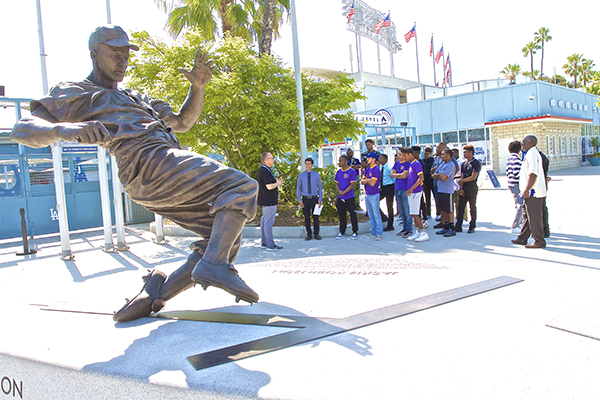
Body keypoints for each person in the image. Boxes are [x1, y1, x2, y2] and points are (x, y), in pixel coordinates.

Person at [10, 25, 259, 322]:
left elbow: (182, 122)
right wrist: (64, 129)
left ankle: (154, 294)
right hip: (146, 163)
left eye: (126, 55)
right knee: (241, 186)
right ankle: (212, 265)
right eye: (114, 54)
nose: (122, 62)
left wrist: (198, 87)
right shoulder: (76, 92)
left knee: (224, 240)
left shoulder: (139, 98)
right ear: (94, 54)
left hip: (163, 163)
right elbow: (22, 130)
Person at [512, 135, 547, 248]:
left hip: (533, 192)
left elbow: (533, 174)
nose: (522, 144)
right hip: (530, 192)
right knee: (528, 216)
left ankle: (539, 241)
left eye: (524, 142)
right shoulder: (530, 153)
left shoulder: (532, 154)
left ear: (530, 143)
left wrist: (527, 190)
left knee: (534, 217)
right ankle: (522, 238)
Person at [257, 152, 284, 251]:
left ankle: (265, 242)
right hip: (269, 201)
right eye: (271, 158)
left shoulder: (264, 170)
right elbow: (269, 186)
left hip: (265, 200)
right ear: (266, 160)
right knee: (268, 222)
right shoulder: (264, 171)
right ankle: (270, 244)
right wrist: (277, 183)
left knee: (264, 221)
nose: (273, 160)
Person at [404, 147, 429, 242]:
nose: (404, 157)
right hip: (412, 192)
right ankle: (417, 231)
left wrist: (411, 189)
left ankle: (423, 232)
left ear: (410, 154)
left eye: (405, 155)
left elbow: (421, 178)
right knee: (412, 213)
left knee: (415, 213)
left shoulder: (417, 164)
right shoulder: (411, 164)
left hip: (416, 192)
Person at [454, 145, 481, 233]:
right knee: (460, 207)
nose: (464, 154)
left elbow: (473, 177)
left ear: (471, 152)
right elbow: (462, 175)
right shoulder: (464, 163)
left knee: (472, 206)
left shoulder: (475, 163)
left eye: (465, 152)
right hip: (464, 187)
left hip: (472, 187)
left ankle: (472, 225)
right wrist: (461, 187)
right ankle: (458, 225)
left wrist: (462, 181)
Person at [296, 157, 322, 240]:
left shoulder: (316, 175)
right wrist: (299, 200)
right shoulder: (301, 175)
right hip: (305, 199)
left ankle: (316, 234)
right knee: (307, 218)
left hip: (314, 198)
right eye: (306, 164)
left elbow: (320, 188)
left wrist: (320, 199)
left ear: (312, 165)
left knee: (315, 217)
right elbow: (298, 188)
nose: (307, 165)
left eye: (309, 164)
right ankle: (309, 234)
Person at [432, 149, 457, 237]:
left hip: (447, 191)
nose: (441, 156)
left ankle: (451, 227)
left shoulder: (450, 165)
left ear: (448, 155)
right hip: (440, 190)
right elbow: (433, 174)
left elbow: (444, 177)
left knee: (449, 210)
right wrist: (439, 175)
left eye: (443, 154)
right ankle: (446, 226)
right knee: (443, 209)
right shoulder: (442, 164)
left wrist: (438, 175)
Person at [335, 155, 359, 239]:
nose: (339, 162)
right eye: (339, 160)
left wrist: (344, 192)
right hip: (340, 197)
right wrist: (339, 191)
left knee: (352, 214)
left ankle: (355, 231)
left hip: (349, 197)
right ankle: (342, 231)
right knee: (341, 215)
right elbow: (337, 183)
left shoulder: (351, 171)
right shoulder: (338, 172)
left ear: (346, 161)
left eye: (341, 160)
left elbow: (352, 185)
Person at [361, 152, 383, 240]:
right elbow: (362, 181)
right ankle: (373, 232)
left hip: (374, 194)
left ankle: (379, 233)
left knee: (376, 214)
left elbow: (373, 183)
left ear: (373, 159)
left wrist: (367, 180)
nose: (367, 159)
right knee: (370, 214)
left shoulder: (376, 169)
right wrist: (368, 180)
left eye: (369, 158)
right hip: (367, 194)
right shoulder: (367, 169)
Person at [391, 149, 412, 238]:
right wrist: (399, 175)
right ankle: (404, 228)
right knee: (401, 211)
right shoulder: (397, 163)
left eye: (400, 154)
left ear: (404, 155)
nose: (398, 156)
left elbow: (405, 176)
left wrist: (397, 174)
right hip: (397, 189)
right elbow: (391, 174)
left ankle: (409, 229)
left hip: (405, 189)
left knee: (407, 211)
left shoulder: (408, 163)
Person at [506, 141, 523, 234]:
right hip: (516, 184)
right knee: (521, 204)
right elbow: (517, 173)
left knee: (519, 203)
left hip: (511, 183)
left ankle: (520, 223)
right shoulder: (516, 159)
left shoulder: (509, 159)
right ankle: (515, 225)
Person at [378, 154, 395, 231]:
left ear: (385, 159)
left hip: (389, 187)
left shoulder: (389, 168)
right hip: (382, 188)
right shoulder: (381, 167)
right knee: (374, 201)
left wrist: (394, 188)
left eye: (381, 158)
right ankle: (384, 217)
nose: (379, 159)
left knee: (389, 205)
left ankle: (390, 224)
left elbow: (393, 178)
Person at [420, 147, 434, 223]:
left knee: (435, 197)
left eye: (427, 154)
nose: (425, 155)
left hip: (431, 180)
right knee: (427, 197)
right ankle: (428, 212)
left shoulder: (432, 161)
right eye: (425, 154)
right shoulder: (422, 161)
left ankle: (438, 213)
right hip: (425, 181)